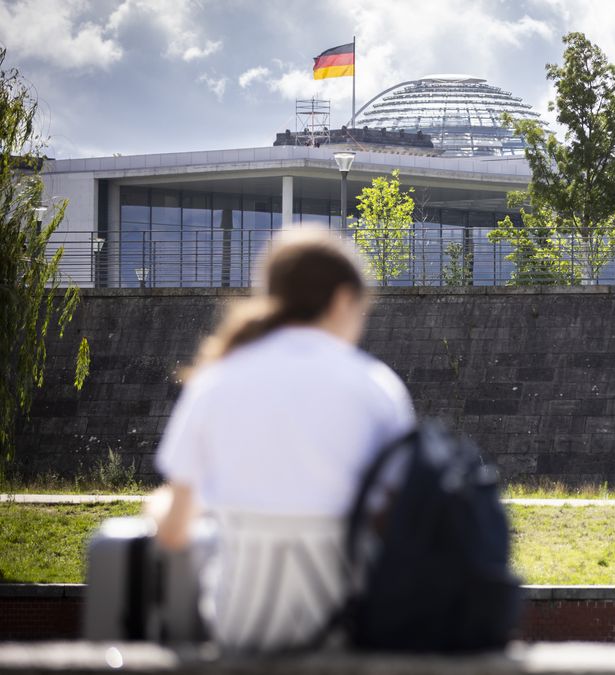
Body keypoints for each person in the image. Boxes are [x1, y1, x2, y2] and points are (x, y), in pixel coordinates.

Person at [147, 230, 416, 653]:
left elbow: (175, 532)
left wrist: (160, 508)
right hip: (347, 638)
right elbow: (401, 522)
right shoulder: (377, 388)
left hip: (240, 633)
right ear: (344, 299)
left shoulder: (216, 382)